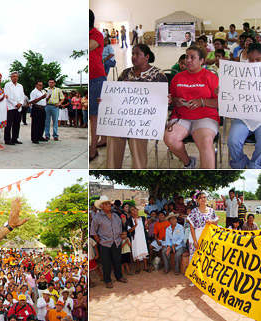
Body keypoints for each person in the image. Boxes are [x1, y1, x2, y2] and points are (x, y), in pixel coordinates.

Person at [106, 44, 168, 168]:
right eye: (132, 54)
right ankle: (112, 169)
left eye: (137, 54)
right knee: (113, 135)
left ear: (147, 57)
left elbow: (163, 98)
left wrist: (165, 99)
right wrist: (106, 99)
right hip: (124, 117)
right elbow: (116, 95)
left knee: (136, 136)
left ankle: (139, 168)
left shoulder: (157, 74)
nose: (133, 57)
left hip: (145, 120)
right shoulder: (126, 73)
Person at [164, 45, 219, 169]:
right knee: (170, 138)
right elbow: (170, 99)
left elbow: (221, 102)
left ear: (202, 61)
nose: (188, 60)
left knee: (205, 141)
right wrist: (175, 101)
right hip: (181, 116)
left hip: (206, 117)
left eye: (192, 57)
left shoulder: (211, 77)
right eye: (186, 57)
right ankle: (188, 162)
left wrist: (202, 102)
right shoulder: (177, 78)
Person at [227, 43, 261, 169]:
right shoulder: (239, 73)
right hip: (243, 118)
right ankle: (241, 164)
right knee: (233, 141)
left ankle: (254, 168)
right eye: (251, 60)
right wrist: (224, 92)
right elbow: (231, 93)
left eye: (258, 59)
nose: (254, 63)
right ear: (247, 59)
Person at [90, 196, 127, 289]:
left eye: (108, 203)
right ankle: (107, 280)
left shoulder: (116, 216)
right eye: (106, 203)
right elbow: (93, 232)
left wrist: (122, 235)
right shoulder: (97, 217)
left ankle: (119, 276)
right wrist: (100, 242)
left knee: (117, 260)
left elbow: (120, 227)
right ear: (101, 206)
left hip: (116, 242)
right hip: (104, 243)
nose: (108, 205)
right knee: (106, 263)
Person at [89, 10, 107, 162]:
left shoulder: (96, 35)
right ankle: (102, 139)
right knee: (95, 114)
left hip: (96, 78)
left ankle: (93, 149)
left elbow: (88, 47)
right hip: (90, 78)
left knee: (94, 115)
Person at [187, 192, 218, 263]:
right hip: (196, 237)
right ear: (197, 200)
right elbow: (191, 226)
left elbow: (216, 222)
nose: (203, 199)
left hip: (207, 237)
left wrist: (211, 221)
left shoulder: (211, 211)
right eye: (200, 198)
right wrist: (195, 241)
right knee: (195, 257)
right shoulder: (194, 211)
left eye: (204, 197)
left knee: (206, 257)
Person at [4, 71, 25, 145]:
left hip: (18, 108)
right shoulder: (7, 85)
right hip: (11, 107)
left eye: (16, 76)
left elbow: (22, 95)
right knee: (9, 124)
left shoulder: (20, 86)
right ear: (11, 77)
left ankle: (15, 138)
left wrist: (21, 103)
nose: (15, 77)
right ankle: (7, 139)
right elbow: (8, 96)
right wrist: (16, 104)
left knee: (17, 123)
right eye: (14, 76)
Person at [127, 206, 150, 273]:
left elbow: (146, 228)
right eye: (132, 210)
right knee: (137, 251)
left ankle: (145, 267)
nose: (135, 211)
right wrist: (135, 225)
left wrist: (146, 225)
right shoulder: (130, 220)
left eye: (135, 209)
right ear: (130, 213)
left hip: (142, 237)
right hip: (135, 239)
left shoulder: (142, 218)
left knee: (144, 251)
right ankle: (138, 267)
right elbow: (130, 230)